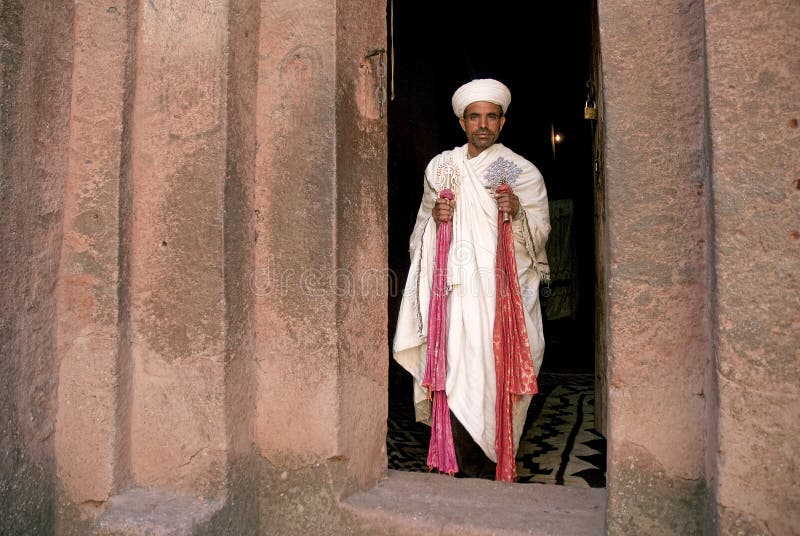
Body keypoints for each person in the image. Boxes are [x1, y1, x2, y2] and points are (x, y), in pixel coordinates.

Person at [393, 78, 551, 479]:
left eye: (491, 117)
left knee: (498, 372)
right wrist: (436, 221)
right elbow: (420, 231)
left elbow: (540, 236)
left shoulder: (521, 172)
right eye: (474, 117)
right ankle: (461, 462)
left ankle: (495, 456)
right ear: (462, 122)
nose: (483, 124)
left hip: (500, 298)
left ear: (503, 121)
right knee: (454, 373)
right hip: (453, 295)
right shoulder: (441, 168)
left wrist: (515, 211)